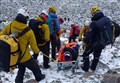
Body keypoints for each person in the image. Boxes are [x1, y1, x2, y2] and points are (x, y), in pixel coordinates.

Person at [0, 7, 45, 83]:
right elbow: (34, 47)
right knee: (35, 67)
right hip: (25, 56)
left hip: (14, 55)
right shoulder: (29, 31)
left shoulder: (10, 26)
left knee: (21, 69)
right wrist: (37, 52)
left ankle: (18, 81)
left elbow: (1, 36)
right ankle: (40, 78)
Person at [81, 6, 112, 72]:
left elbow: (89, 36)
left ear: (93, 13)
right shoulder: (107, 19)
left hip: (95, 42)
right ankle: (93, 68)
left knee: (85, 54)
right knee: (97, 55)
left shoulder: (94, 23)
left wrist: (85, 40)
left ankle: (86, 68)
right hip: (104, 42)